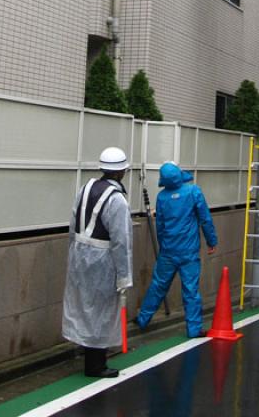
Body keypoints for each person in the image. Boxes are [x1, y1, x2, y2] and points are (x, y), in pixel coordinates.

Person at [62, 147, 133, 378]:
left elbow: (72, 224)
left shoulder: (85, 188)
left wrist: (74, 254)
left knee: (83, 305)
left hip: (79, 253)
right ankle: (96, 365)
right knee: (101, 309)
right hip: (102, 258)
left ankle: (90, 359)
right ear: (122, 171)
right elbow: (121, 241)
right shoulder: (118, 200)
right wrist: (124, 276)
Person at [134, 162, 218, 338]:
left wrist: (164, 245)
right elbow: (205, 219)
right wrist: (211, 240)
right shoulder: (193, 191)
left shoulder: (162, 197)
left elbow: (160, 226)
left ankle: (143, 319)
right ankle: (194, 329)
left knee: (158, 285)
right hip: (188, 251)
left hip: (168, 251)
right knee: (190, 290)